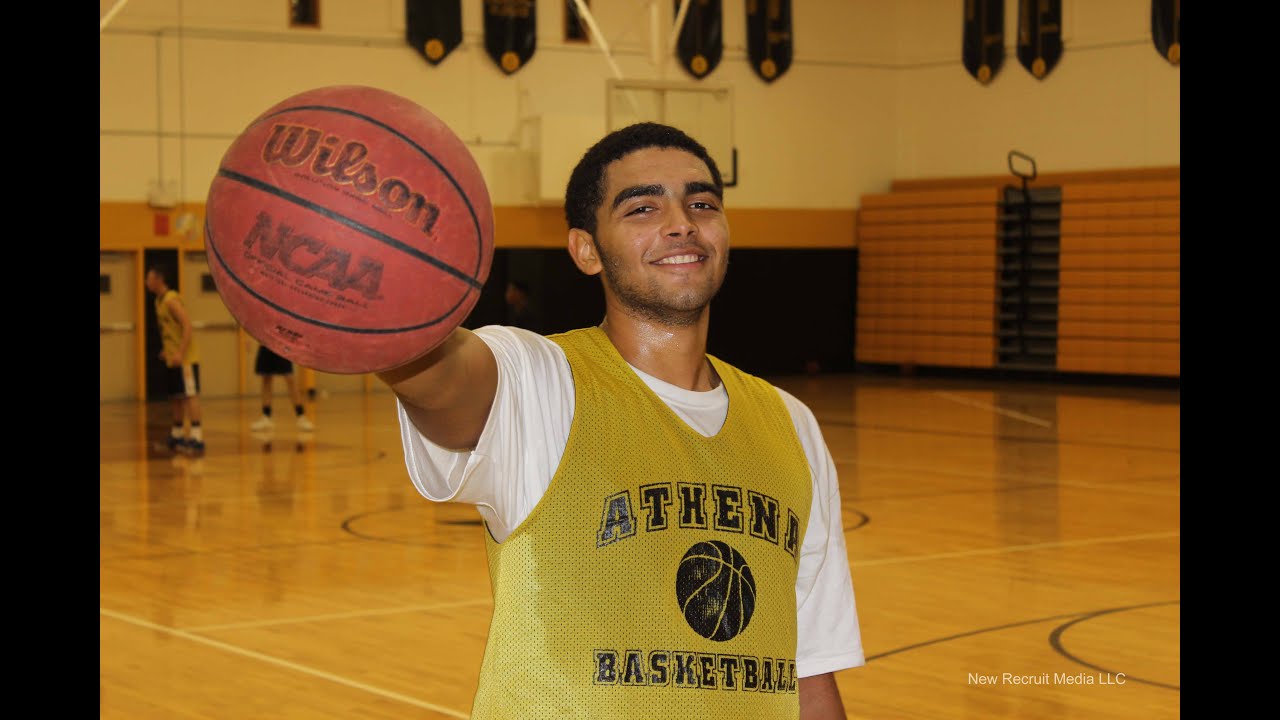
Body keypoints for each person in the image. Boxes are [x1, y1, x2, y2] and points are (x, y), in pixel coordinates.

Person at [378, 123, 863, 719]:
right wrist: (370, 283)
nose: (682, 221)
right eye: (642, 208)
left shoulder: (792, 425)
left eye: (702, 203)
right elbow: (441, 378)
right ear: (586, 249)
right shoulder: (543, 382)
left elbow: (809, 673)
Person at [145, 265, 205, 454]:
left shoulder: (171, 300)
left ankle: (196, 437)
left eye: (149, 278)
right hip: (173, 358)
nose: (146, 282)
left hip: (185, 359)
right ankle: (177, 433)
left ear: (158, 280)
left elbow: (187, 326)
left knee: (190, 395)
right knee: (175, 397)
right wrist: (168, 350)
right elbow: (172, 331)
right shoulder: (158, 301)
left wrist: (180, 352)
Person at [250, 345, 316, 432]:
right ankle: (266, 416)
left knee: (290, 379)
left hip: (281, 347)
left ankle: (301, 417)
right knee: (266, 380)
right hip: (266, 345)